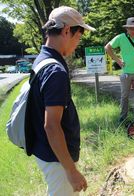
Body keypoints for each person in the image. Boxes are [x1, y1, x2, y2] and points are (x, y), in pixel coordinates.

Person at [29, 6, 95, 195]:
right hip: (56, 159)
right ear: (67, 31)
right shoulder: (55, 71)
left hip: (46, 151)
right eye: (78, 37)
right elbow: (51, 126)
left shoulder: (42, 58)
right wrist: (71, 171)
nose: (77, 43)